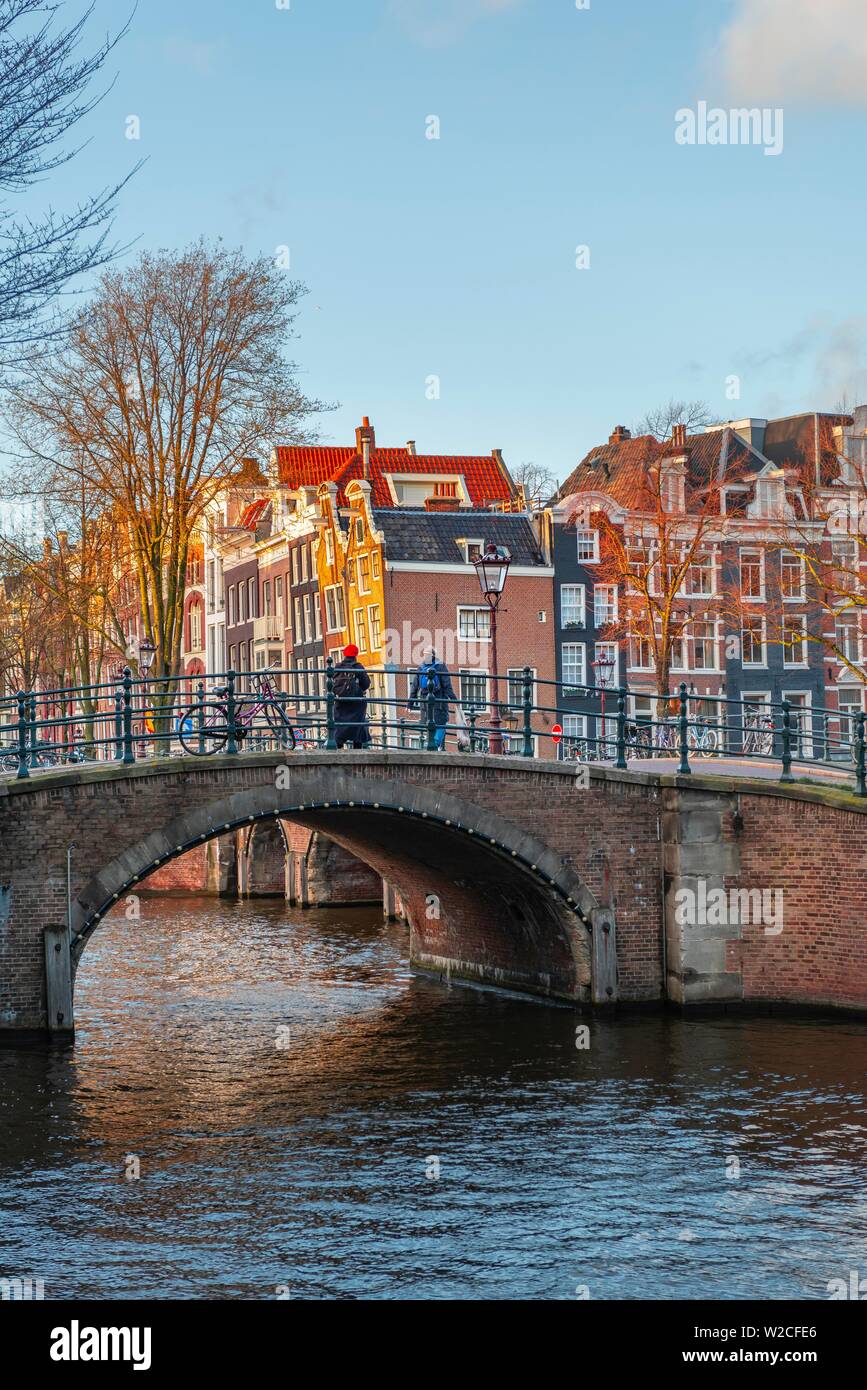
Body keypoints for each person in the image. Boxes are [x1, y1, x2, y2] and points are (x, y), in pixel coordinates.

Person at [408, 647, 457, 750]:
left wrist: (410, 704)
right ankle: (435, 746)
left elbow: (415, 686)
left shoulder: (421, 667)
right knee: (442, 724)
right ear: (435, 655)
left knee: (429, 725)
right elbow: (447, 685)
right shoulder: (440, 666)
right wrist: (455, 700)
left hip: (424, 704)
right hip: (439, 702)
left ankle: (429, 746)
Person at [332, 643, 371, 749]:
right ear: (356, 654)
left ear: (344, 654)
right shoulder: (358, 667)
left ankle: (338, 748)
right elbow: (366, 684)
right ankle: (357, 750)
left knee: (340, 727)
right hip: (356, 703)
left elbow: (331, 685)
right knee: (357, 727)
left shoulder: (338, 667)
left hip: (341, 702)